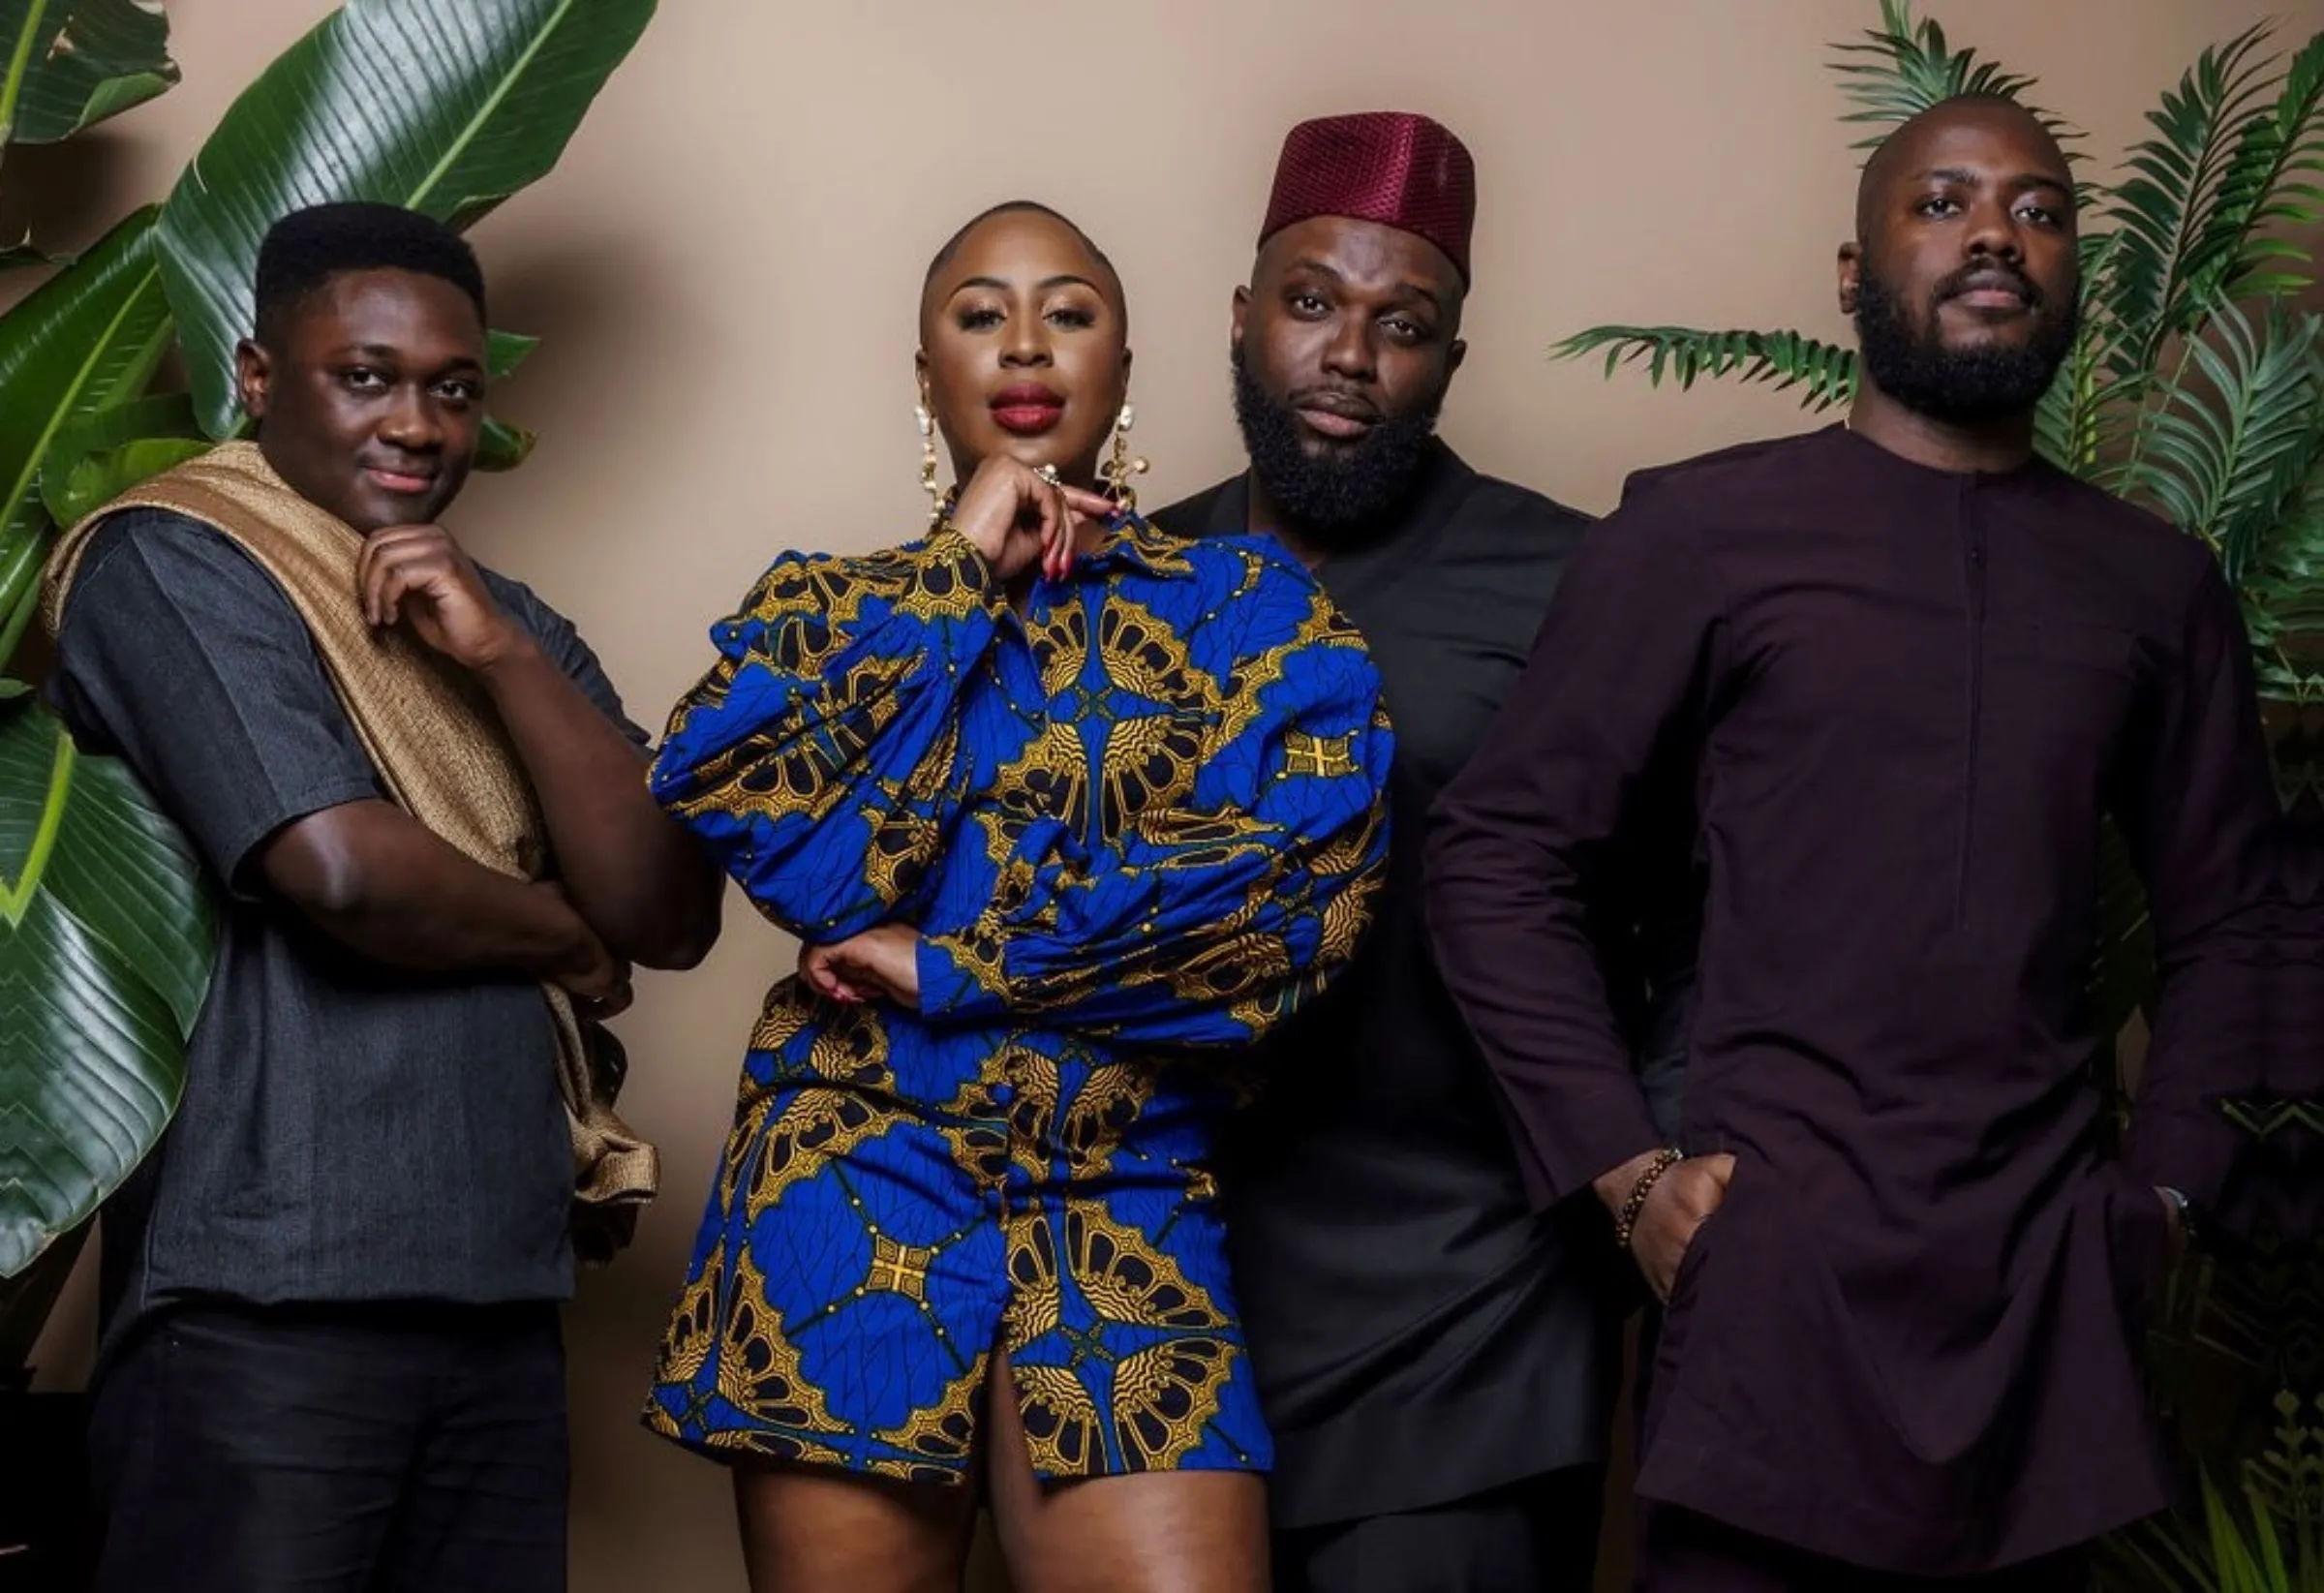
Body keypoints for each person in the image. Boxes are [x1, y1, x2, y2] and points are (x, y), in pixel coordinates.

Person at [1426, 95, 2283, 1591]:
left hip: (2044, 1305)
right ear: (1851, 268)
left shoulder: (2156, 585)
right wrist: (1628, 1178)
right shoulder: (1700, 535)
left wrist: (2167, 1197)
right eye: (1942, 203)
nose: (1995, 235)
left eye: (2037, 209)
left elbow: (2247, 916)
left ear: (2071, 269)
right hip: (1770, 1291)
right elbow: (1499, 855)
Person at [640, 199, 1393, 1593]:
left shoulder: (1253, 617)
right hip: (847, 1190)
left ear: (1126, 363)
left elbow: (1286, 921)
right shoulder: (826, 607)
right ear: (925, 374)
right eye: (979, 314)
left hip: (1124, 1187)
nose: (1027, 342)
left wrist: (948, 969)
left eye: (1072, 309)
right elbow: (784, 842)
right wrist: (952, 574)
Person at [42, 201, 724, 1593]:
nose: (415, 424)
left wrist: (507, 663)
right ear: (256, 377)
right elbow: (340, 868)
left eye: (452, 390)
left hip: (500, 1292)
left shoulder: (511, 619)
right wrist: (557, 932)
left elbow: (669, 911)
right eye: (366, 376)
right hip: (263, 1307)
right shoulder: (171, 560)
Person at [1156, 110, 1684, 1593]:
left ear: (1452, 361)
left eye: (1406, 325)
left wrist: (1640, 1183)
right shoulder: (1127, 576)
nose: (1348, 356)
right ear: (1243, 314)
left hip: (1466, 1309)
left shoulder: (1575, 578)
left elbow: (1698, 919)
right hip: (1159, 1295)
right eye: (1312, 302)